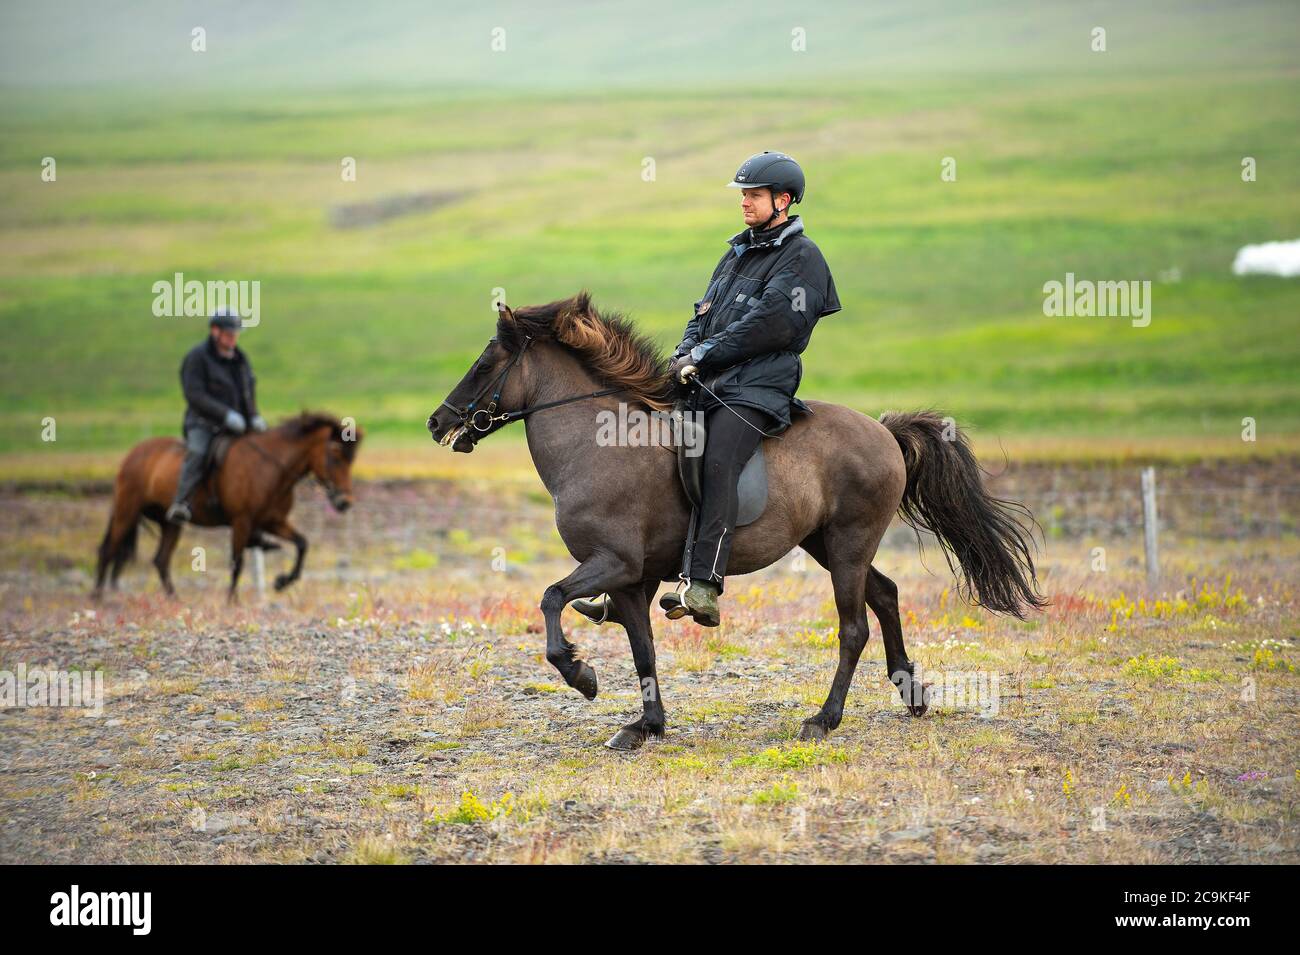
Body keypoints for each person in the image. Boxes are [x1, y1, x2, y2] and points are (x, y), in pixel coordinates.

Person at [662, 151, 841, 626]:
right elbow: (701, 313)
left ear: (783, 201)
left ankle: (703, 583)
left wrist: (703, 355)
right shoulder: (737, 251)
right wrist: (685, 352)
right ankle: (631, 573)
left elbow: (770, 325)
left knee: (719, 458)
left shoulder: (802, 258)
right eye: (743, 194)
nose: (745, 202)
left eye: (754, 195)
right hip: (710, 383)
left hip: (757, 389)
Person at [165, 307, 267, 524]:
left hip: (238, 424)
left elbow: (248, 390)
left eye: (236, 334)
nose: (233, 338)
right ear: (215, 331)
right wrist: (225, 415)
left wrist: (254, 416)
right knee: (198, 452)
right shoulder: (197, 358)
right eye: (230, 334)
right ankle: (181, 502)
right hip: (203, 424)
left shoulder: (240, 359)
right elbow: (195, 395)